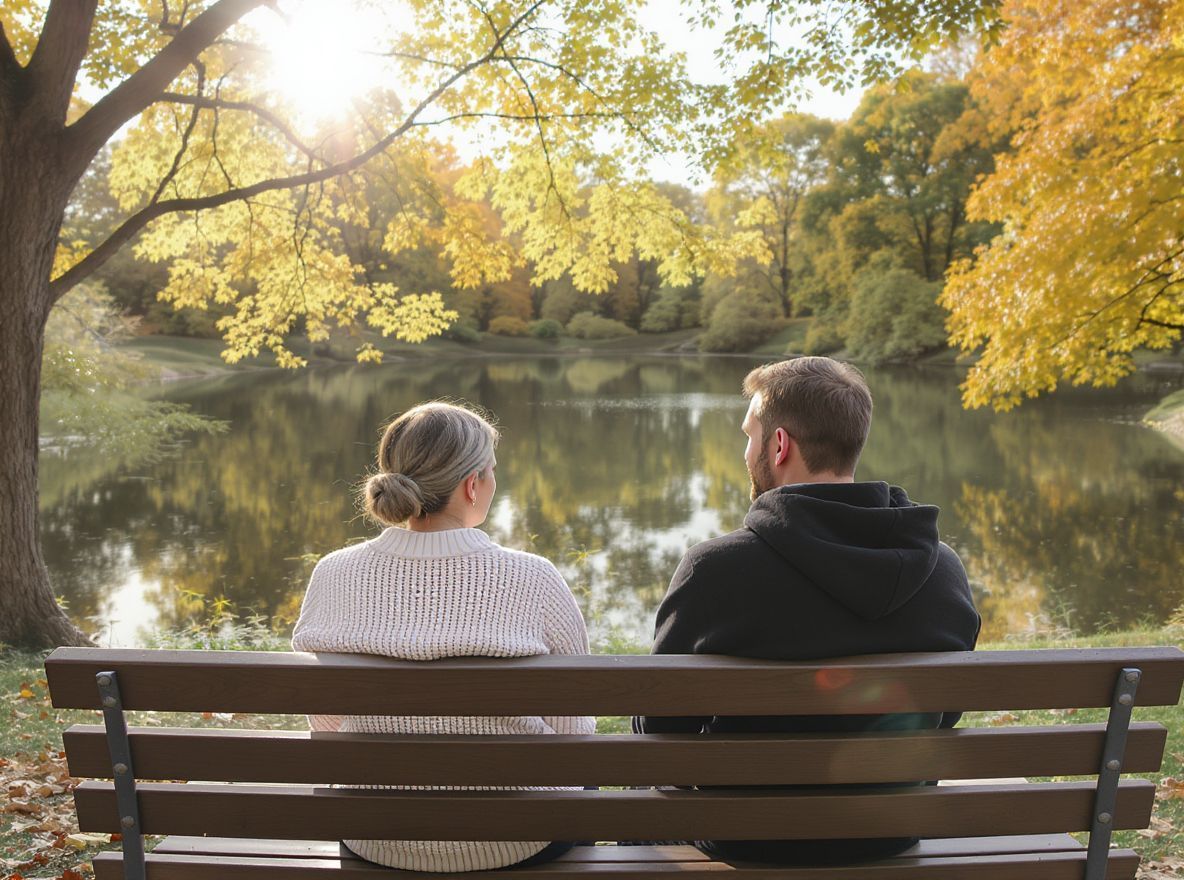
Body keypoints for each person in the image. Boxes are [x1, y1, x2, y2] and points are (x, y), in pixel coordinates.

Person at [633, 356, 980, 866]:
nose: (746, 451)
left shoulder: (716, 569)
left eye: (749, 436)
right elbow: (945, 712)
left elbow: (662, 732)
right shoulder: (942, 569)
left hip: (744, 839)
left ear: (779, 445)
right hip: (888, 834)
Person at [292, 401, 595, 872]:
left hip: (375, 837)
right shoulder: (533, 578)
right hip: (521, 839)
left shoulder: (334, 574)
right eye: (493, 472)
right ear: (472, 484)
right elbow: (573, 730)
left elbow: (327, 721)